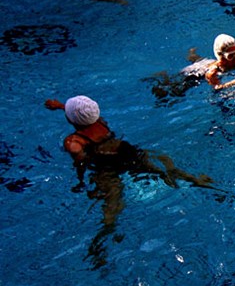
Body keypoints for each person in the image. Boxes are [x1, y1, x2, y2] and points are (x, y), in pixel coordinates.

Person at [45, 95, 216, 268]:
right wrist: (61, 106)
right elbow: (83, 115)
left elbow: (80, 164)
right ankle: (197, 181)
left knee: (113, 203)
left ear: (69, 118)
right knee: (163, 169)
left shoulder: (73, 142)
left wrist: (81, 182)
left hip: (104, 165)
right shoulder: (101, 122)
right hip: (126, 151)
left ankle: (102, 241)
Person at [145, 34, 235, 102]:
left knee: (201, 60)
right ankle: (162, 76)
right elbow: (217, 87)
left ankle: (192, 55)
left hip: (207, 62)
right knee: (173, 93)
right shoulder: (212, 72)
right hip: (194, 74)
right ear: (221, 57)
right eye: (231, 56)